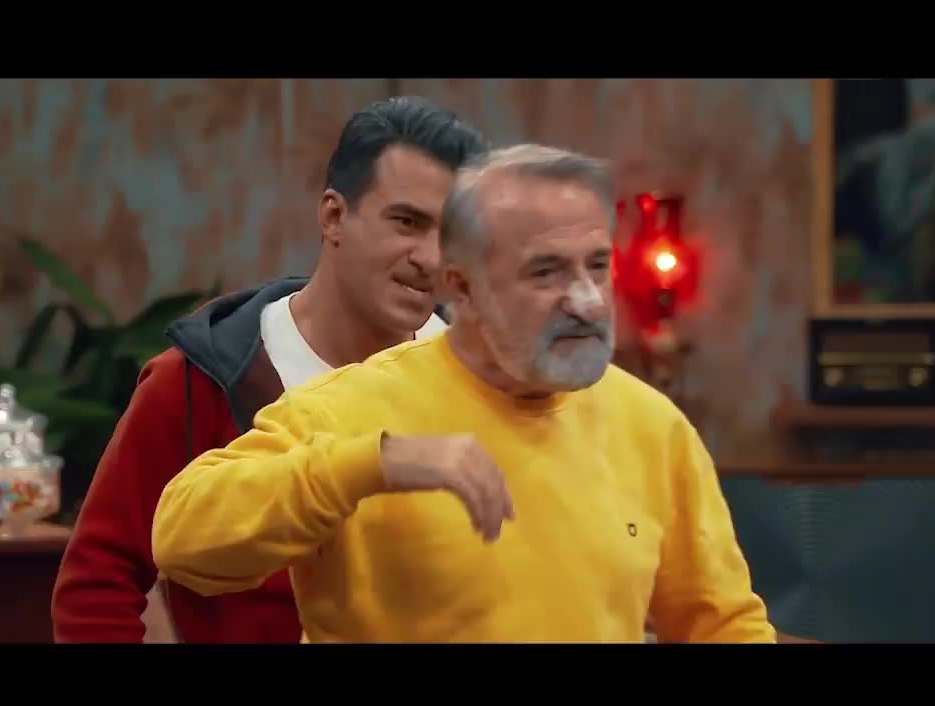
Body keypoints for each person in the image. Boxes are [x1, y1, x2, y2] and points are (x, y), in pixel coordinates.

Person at [150, 143, 778, 643]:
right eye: (546, 271)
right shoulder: (350, 409)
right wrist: (375, 464)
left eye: (596, 265)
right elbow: (181, 539)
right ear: (462, 287)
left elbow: (721, 625)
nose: (588, 302)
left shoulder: (653, 426)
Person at [50, 96, 489, 643]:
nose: (430, 258)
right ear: (334, 216)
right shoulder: (202, 381)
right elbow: (97, 584)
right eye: (406, 222)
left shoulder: (480, 380)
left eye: (449, 235)